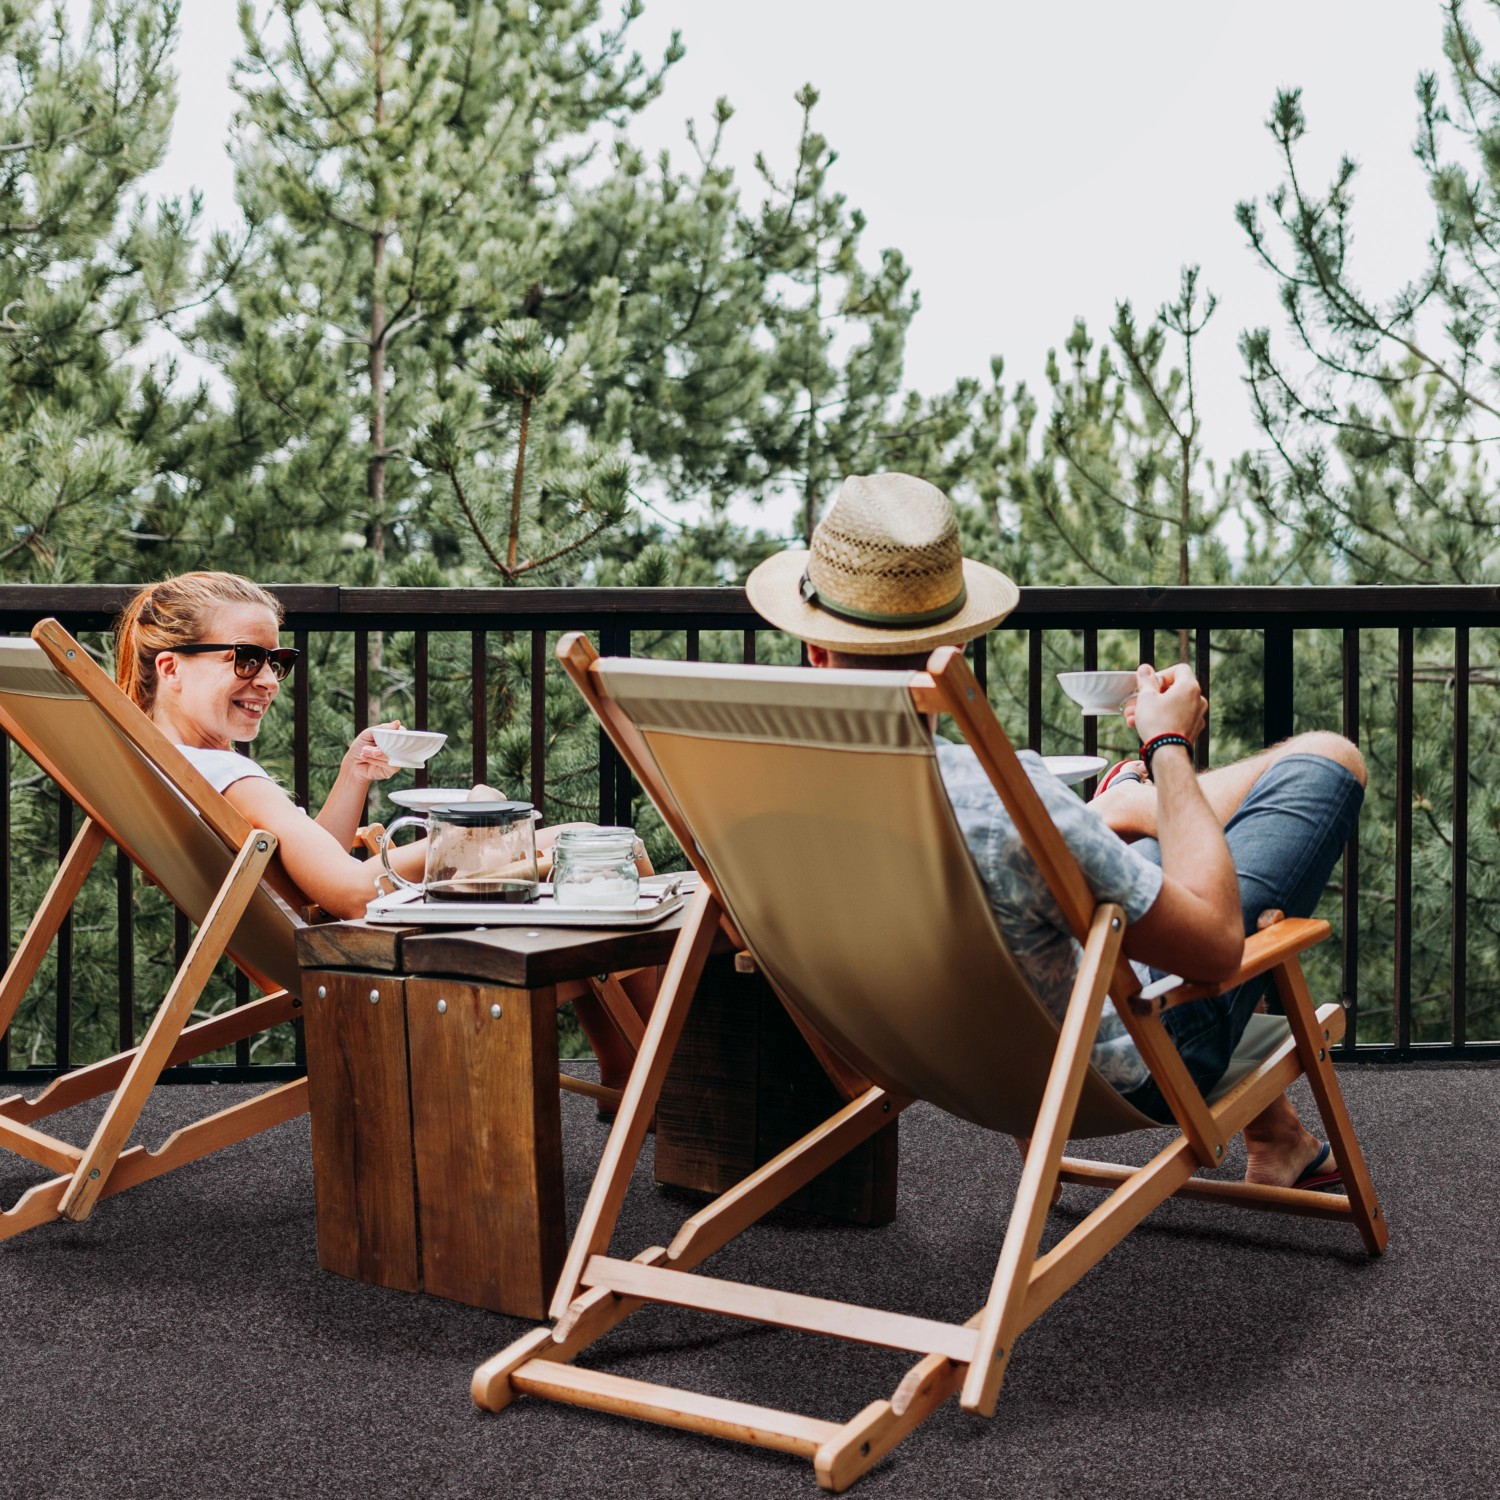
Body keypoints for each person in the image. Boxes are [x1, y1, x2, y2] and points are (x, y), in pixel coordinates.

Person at [745, 472, 1363, 1191]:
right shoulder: (1009, 799)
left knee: (1126, 848)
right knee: (1329, 760)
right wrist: (1167, 747)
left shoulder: (764, 796)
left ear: (817, 652)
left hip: (925, 1052)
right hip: (1123, 1060)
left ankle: (1128, 812)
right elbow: (1219, 946)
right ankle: (1137, 801)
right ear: (957, 645)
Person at [113, 572, 655, 1088]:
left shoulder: (171, 763)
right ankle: (655, 1080)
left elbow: (303, 870)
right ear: (171, 667)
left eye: (279, 661)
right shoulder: (230, 775)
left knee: (579, 856)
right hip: (360, 952)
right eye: (248, 659)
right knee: (606, 851)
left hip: (309, 936)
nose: (269, 680)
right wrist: (471, 834)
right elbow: (351, 894)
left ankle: (625, 1072)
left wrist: (353, 774)